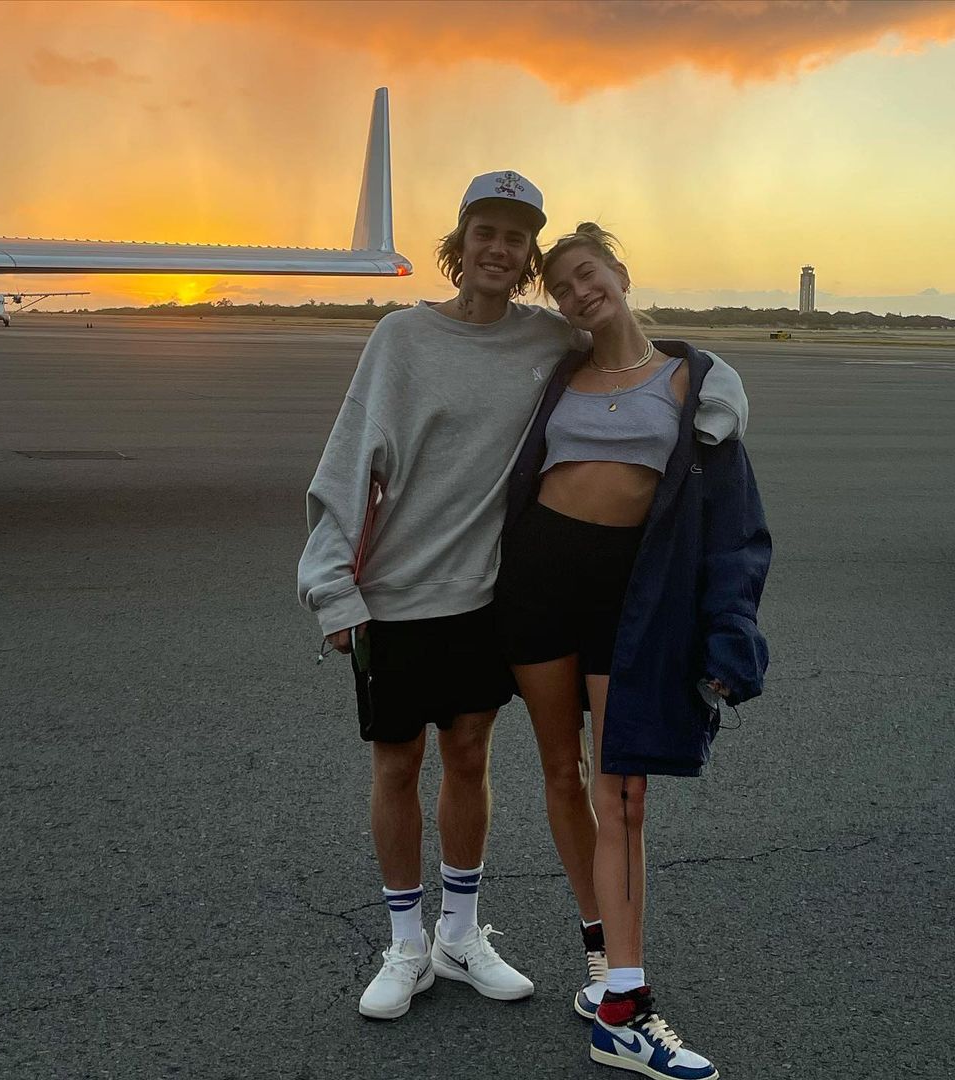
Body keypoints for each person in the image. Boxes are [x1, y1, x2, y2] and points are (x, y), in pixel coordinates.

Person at [297, 174, 749, 1023]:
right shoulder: (400, 338)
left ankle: (461, 935)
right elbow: (349, 461)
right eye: (485, 233)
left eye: (516, 238)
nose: (499, 250)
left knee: (470, 760)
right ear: (459, 244)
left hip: (485, 595)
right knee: (396, 765)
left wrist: (721, 399)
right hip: (393, 594)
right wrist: (331, 588)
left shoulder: (548, 339)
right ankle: (406, 944)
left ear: (527, 258)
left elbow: (651, 359)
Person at [495, 222, 770, 1079]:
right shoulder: (556, 378)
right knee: (560, 771)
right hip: (539, 579)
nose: (579, 293)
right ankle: (603, 956)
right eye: (563, 288)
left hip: (633, 593)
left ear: (619, 271)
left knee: (625, 790)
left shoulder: (696, 383)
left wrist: (732, 640)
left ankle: (626, 1008)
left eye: (588, 275)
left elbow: (735, 528)